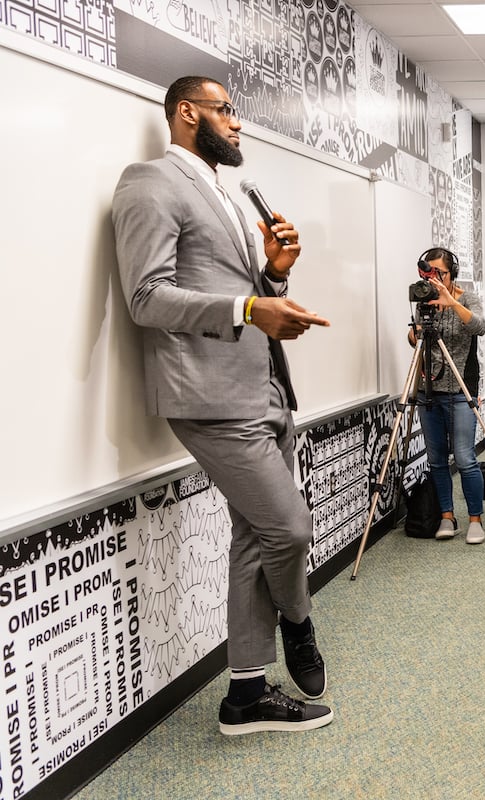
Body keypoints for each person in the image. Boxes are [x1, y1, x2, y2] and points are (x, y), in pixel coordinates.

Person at [112, 76, 332, 734]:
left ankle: (245, 695)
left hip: (262, 384)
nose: (237, 125)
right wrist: (248, 305)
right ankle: (297, 620)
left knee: (253, 537)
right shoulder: (148, 183)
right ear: (188, 113)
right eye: (226, 111)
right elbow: (145, 298)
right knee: (288, 528)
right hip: (208, 394)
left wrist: (275, 273)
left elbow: (244, 296)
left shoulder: (224, 193)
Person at [407, 248, 485, 543]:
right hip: (429, 390)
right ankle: (446, 516)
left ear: (452, 272)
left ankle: (476, 520)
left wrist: (451, 301)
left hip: (459, 390)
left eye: (439, 273)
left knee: (466, 458)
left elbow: (479, 326)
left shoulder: (466, 298)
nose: (434, 278)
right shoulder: (424, 300)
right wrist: (417, 329)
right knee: (437, 460)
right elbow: (416, 338)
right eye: (429, 272)